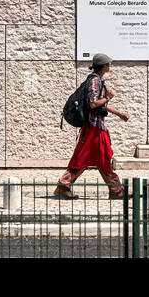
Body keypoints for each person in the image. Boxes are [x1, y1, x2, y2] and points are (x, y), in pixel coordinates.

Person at [54, 53, 129, 199]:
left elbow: (102, 104)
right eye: (108, 64)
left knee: (99, 158)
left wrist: (120, 114)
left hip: (96, 127)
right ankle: (64, 186)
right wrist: (107, 97)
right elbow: (93, 103)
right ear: (103, 66)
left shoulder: (98, 80)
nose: (109, 66)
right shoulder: (94, 81)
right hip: (93, 128)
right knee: (90, 158)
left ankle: (115, 190)